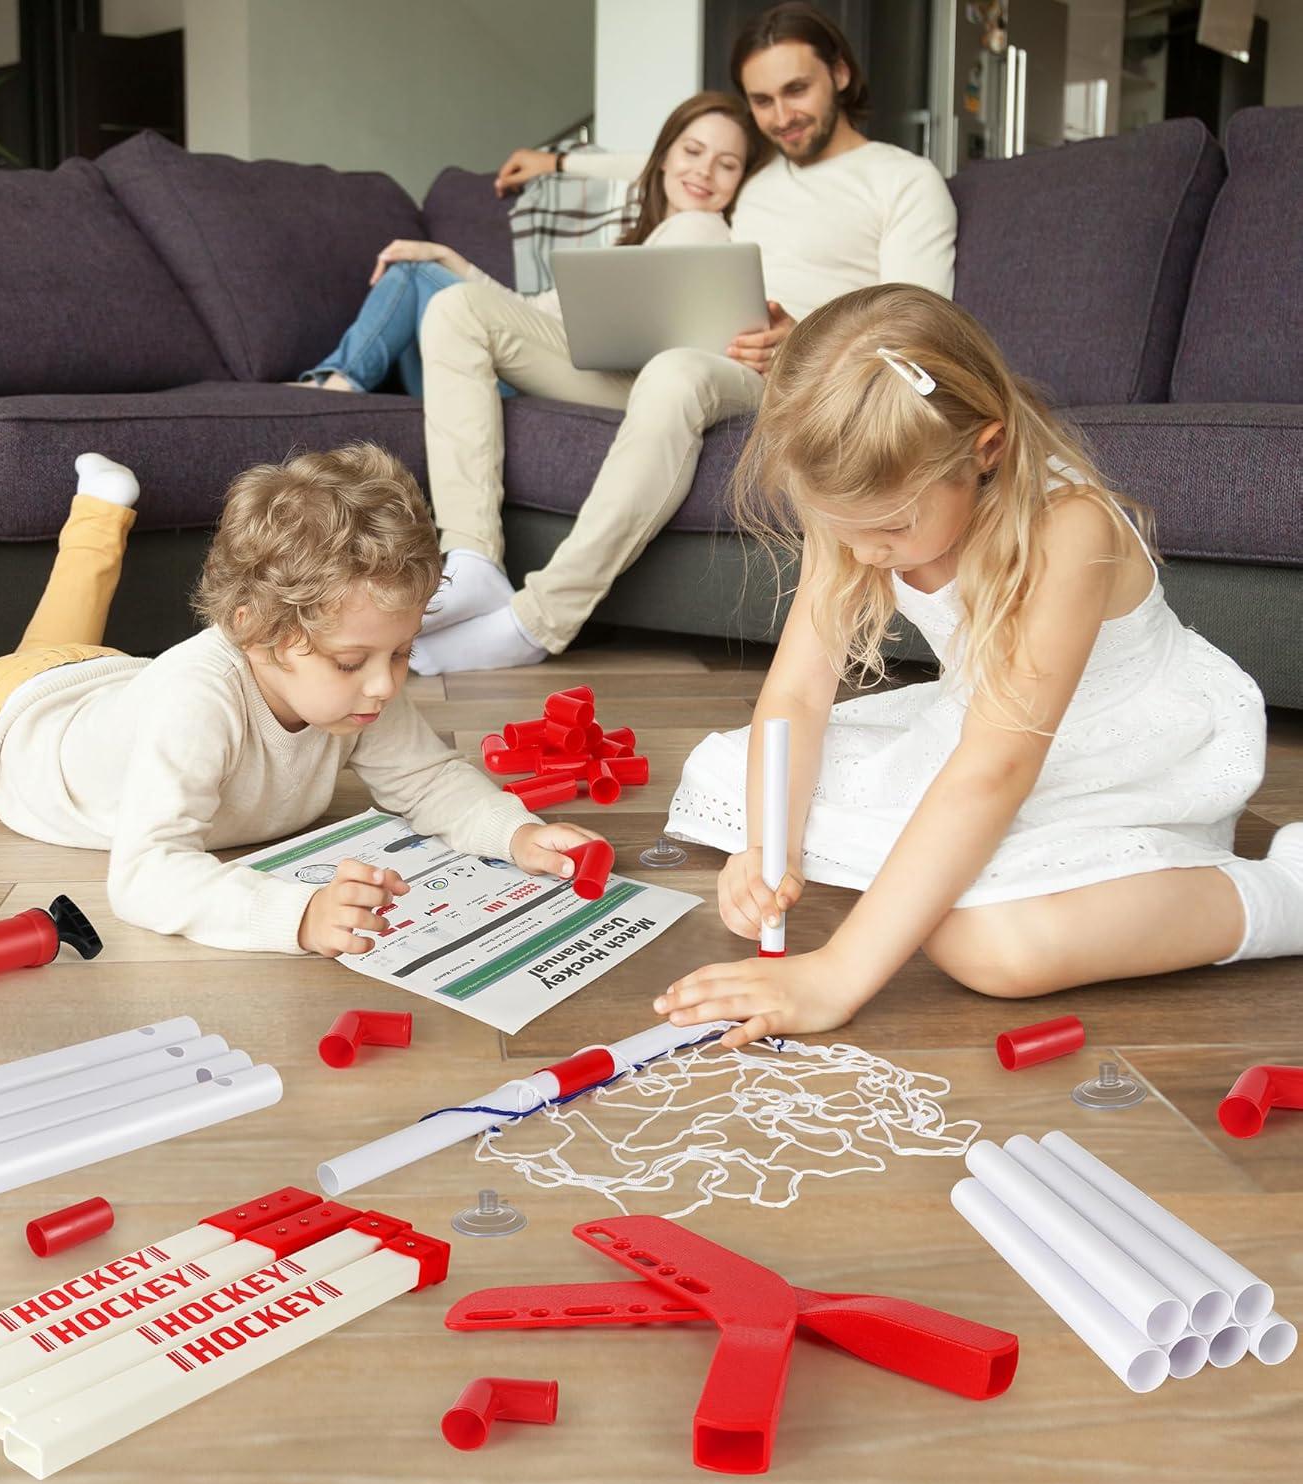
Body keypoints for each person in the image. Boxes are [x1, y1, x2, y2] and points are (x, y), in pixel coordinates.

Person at [654, 283, 1300, 1047]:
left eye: (890, 527)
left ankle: (1283, 888)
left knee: (990, 947)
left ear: (984, 451)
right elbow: (795, 695)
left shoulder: (1070, 527)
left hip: (1119, 754)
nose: (863, 553)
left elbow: (995, 769)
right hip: (989, 729)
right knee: (737, 780)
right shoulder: (863, 501)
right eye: (841, 527)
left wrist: (837, 973)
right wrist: (770, 848)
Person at [0, 447, 598, 955]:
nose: (387, 684)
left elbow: (429, 782)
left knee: (42, 652)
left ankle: (100, 512)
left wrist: (516, 832)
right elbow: (145, 875)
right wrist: (295, 916)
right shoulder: (200, 700)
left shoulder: (355, 688)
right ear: (253, 629)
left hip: (97, 677)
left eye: (403, 651)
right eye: (356, 660)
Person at [410, 1, 957, 676]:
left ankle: (539, 618)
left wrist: (802, 339)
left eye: (797, 90)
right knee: (459, 309)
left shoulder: (903, 179)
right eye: (762, 100)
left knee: (675, 373)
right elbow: (662, 159)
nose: (781, 115)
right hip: (678, 353)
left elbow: (919, 327)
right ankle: (470, 561)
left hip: (785, 375)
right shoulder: (752, 172)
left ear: (840, 73)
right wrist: (555, 162)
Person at [295, 90, 754, 396]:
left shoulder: (702, 229)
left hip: (542, 373)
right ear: (664, 156)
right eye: (693, 152)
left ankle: (336, 384)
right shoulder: (642, 240)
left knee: (413, 271)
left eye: (727, 164)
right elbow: (530, 310)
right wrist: (451, 257)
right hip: (518, 355)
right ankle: (340, 383)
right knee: (419, 273)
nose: (703, 173)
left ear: (742, 180)